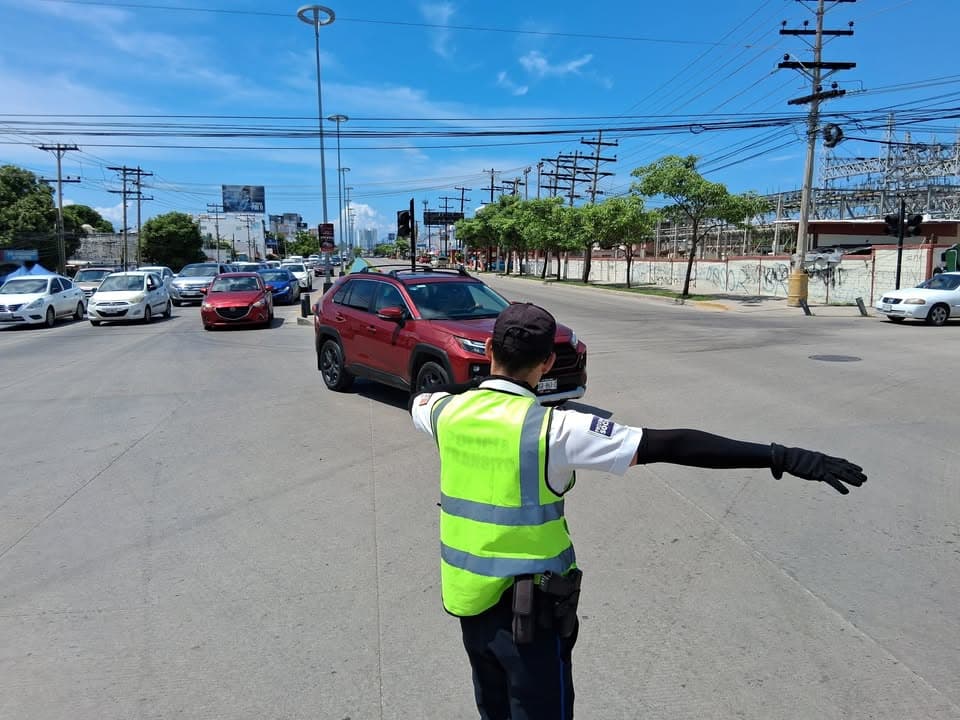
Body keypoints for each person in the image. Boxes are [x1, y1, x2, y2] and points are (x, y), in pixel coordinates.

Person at [410, 302, 867, 720]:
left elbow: (426, 396)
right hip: (530, 619)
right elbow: (672, 444)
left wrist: (482, 384)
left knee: (492, 709)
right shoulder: (553, 429)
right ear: (547, 362)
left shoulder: (443, 413)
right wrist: (780, 456)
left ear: (490, 349)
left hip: (469, 606)